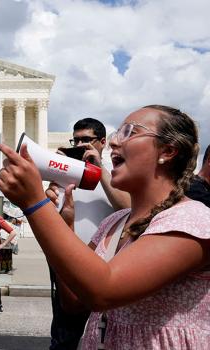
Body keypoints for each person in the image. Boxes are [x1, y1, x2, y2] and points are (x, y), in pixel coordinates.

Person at [0, 105, 210, 349]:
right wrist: (64, 225)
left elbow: (103, 291)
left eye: (130, 132)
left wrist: (35, 203)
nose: (113, 143)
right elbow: (75, 301)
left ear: (168, 151)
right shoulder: (114, 222)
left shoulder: (193, 221)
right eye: (116, 133)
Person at [47, 118, 130, 350]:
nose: (81, 144)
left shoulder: (117, 175)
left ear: (102, 142)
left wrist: (98, 168)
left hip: (106, 264)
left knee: (106, 334)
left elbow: (128, 208)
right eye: (77, 140)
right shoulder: (65, 177)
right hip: (67, 263)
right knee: (64, 336)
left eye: (87, 140)